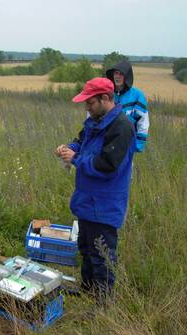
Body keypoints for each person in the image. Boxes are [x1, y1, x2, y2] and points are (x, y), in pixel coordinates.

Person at [56, 77, 136, 302]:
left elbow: (107, 166)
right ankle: (87, 289)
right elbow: (80, 141)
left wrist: (76, 158)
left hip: (105, 203)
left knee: (102, 255)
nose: (86, 108)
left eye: (90, 103)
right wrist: (68, 149)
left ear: (105, 98)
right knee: (86, 249)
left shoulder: (122, 127)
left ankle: (102, 303)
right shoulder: (95, 120)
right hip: (86, 199)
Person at [106, 60, 149, 152]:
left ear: (127, 76)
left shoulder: (137, 96)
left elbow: (143, 122)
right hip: (105, 145)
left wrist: (136, 146)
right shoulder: (106, 93)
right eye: (116, 73)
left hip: (127, 146)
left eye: (121, 74)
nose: (117, 76)